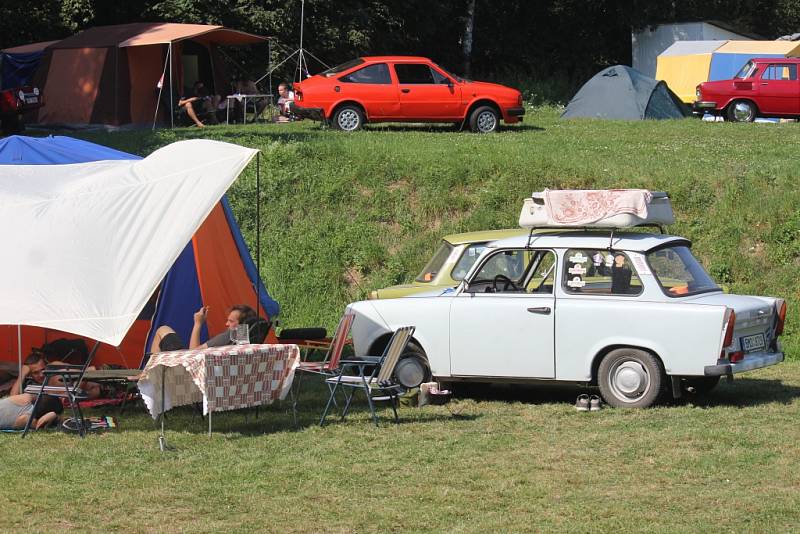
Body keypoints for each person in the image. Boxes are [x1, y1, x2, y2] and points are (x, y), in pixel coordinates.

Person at [150, 304, 258, 354]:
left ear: (242, 325)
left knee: (163, 329)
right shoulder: (245, 341)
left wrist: (198, 323)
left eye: (231, 321)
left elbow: (192, 353)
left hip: (187, 369)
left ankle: (149, 375)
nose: (226, 324)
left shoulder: (230, 336)